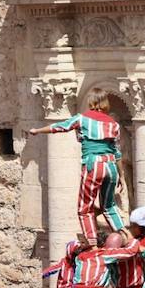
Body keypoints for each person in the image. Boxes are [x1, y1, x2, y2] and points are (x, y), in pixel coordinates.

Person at [29, 91, 126, 240]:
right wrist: (122, 176)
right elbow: (117, 152)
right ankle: (125, 237)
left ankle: (92, 242)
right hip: (111, 166)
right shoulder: (113, 124)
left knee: (84, 208)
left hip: (94, 165)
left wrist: (38, 130)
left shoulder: (82, 119)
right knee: (109, 206)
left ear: (91, 102)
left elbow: (60, 126)